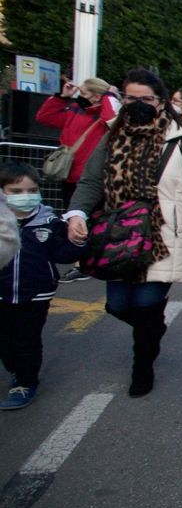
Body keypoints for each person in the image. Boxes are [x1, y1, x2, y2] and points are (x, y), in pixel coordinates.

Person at [66, 68, 182, 397]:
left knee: (148, 302)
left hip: (162, 235)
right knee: (118, 306)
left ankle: (142, 366)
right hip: (118, 234)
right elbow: (91, 181)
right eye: (130, 97)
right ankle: (152, 331)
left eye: (145, 98)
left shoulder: (181, 140)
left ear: (161, 102)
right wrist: (77, 212)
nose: (136, 103)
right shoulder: (111, 137)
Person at [0, 163, 85, 410]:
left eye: (31, 189)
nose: (25, 196)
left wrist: (79, 240)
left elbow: (63, 254)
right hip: (2, 294)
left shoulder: (50, 222)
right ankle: (17, 368)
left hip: (37, 294)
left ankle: (25, 383)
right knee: (5, 341)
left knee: (28, 339)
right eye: (16, 191)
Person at [36, 78, 121, 282]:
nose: (79, 96)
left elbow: (112, 119)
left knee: (93, 220)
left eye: (83, 92)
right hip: (69, 174)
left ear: (96, 96)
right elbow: (44, 118)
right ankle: (82, 260)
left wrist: (109, 96)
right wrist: (62, 97)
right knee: (74, 219)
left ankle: (87, 263)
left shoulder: (102, 115)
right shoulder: (74, 109)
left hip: (92, 177)